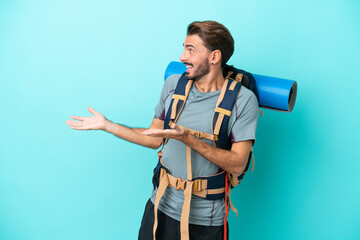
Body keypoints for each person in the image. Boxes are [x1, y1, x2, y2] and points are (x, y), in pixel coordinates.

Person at [66, 20, 259, 240]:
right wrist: (108, 125)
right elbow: (153, 137)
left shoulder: (243, 101)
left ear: (214, 57)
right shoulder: (173, 86)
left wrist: (188, 138)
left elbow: (237, 164)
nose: (182, 57)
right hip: (160, 207)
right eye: (184, 48)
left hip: (205, 221)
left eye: (190, 50)